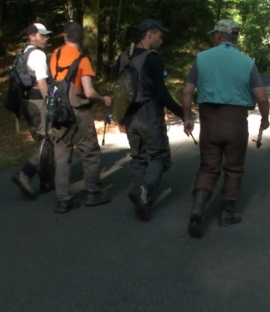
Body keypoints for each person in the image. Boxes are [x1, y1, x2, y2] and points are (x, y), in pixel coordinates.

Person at [182, 19, 269, 238]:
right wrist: (265, 120)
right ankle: (226, 215)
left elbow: (186, 91)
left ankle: (197, 209)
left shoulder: (202, 58)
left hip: (210, 121)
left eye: (214, 34)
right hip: (236, 122)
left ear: (220, 36)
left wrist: (187, 117)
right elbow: (261, 97)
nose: (213, 37)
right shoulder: (247, 62)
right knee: (234, 168)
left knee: (208, 167)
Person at [115, 19, 184, 221]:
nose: (161, 41)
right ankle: (143, 190)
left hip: (129, 114)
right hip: (149, 113)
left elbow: (118, 89)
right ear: (150, 34)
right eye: (160, 36)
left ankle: (141, 196)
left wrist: (120, 117)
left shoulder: (122, 58)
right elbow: (161, 93)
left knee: (138, 158)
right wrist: (180, 111)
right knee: (160, 156)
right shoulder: (153, 58)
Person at [49, 22, 112, 213]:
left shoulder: (54, 55)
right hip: (78, 113)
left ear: (65, 36)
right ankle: (93, 193)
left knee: (61, 155)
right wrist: (104, 100)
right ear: (81, 39)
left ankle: (64, 199)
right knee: (90, 152)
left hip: (57, 112)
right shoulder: (82, 60)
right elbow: (89, 92)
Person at [12, 23, 54, 197]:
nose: (46, 38)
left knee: (40, 142)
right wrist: (50, 102)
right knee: (48, 141)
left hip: (26, 103)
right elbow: (42, 83)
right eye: (42, 35)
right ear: (31, 36)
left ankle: (46, 182)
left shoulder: (22, 54)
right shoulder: (37, 54)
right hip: (38, 102)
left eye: (46, 35)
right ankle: (25, 174)